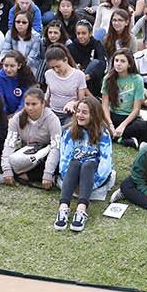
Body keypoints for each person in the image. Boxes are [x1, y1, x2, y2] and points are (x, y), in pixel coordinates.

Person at [54, 96, 113, 232]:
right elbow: (64, 159)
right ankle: (63, 208)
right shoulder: (69, 132)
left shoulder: (103, 134)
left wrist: (95, 183)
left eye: (84, 112)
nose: (80, 115)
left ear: (94, 115)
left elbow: (106, 163)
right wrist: (69, 179)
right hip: (72, 177)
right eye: (78, 111)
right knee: (74, 163)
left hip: (93, 178)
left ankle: (81, 210)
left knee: (88, 164)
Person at [0, 87, 61, 188]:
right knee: (0, 160)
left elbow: (56, 147)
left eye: (34, 104)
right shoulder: (17, 118)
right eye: (27, 104)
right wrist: (7, 169)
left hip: (43, 155)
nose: (30, 108)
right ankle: (23, 175)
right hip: (25, 154)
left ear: (43, 104)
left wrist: (48, 173)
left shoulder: (52, 119)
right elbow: (9, 144)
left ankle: (27, 176)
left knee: (58, 164)